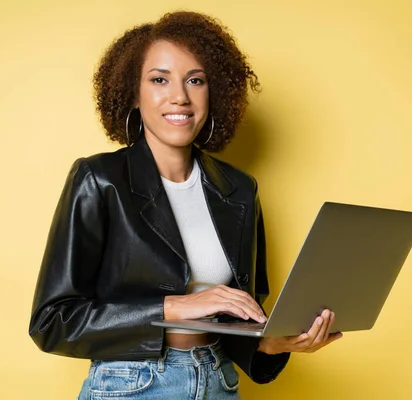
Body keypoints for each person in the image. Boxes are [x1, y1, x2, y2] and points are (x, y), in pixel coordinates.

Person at [29, 11, 342, 399]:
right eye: (159, 79)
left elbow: (241, 316)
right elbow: (52, 321)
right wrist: (174, 307)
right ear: (133, 93)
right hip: (132, 384)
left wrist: (271, 345)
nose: (180, 95)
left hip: (218, 380)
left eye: (195, 80)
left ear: (215, 93)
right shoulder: (99, 180)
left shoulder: (240, 190)